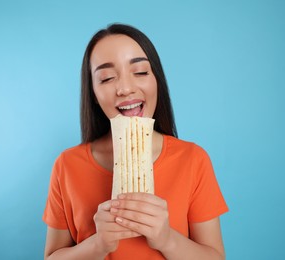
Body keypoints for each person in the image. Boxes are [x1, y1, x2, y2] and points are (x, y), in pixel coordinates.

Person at [43, 23, 229, 260]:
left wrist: (166, 240)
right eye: (107, 78)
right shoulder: (67, 166)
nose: (125, 88)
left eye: (140, 72)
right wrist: (98, 244)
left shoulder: (193, 160)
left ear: (156, 81)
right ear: (94, 95)